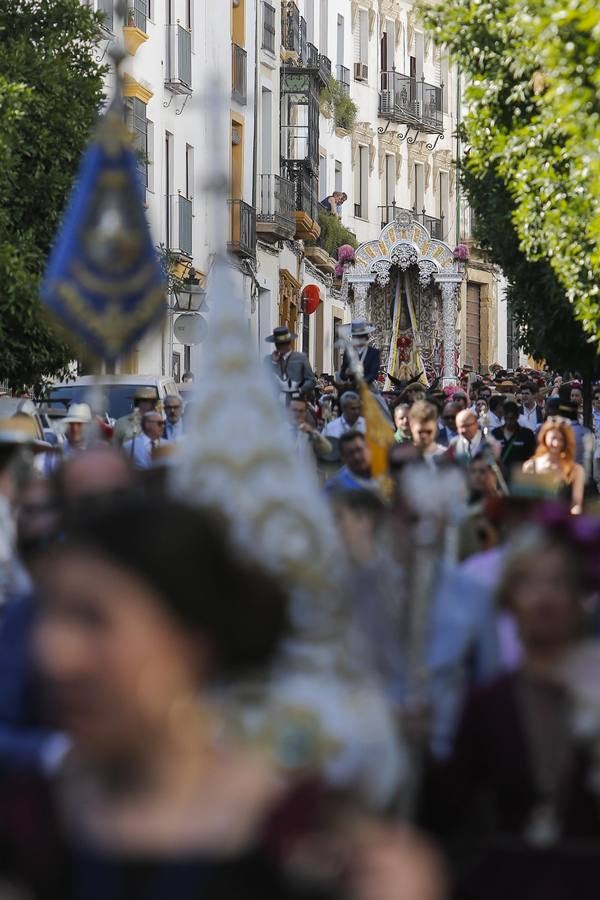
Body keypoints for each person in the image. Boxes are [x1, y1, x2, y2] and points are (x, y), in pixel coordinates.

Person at [423, 525, 600, 900]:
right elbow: (447, 808)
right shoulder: (491, 703)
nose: (544, 598)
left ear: (578, 596)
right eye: (529, 584)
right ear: (509, 599)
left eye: (557, 583)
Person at [523, 419, 585, 514]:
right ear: (544, 437)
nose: (556, 443)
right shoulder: (530, 466)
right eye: (553, 438)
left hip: (564, 524)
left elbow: (576, 504)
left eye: (561, 440)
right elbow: (525, 503)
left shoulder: (576, 470)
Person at [263, 326, 316, 400]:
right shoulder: (268, 359)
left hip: (295, 402)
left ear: (289, 343)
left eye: (283, 344)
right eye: (278, 344)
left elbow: (311, 381)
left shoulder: (301, 358)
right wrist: (273, 363)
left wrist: (300, 390)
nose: (280, 347)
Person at [492, 400, 536, 476]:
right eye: (506, 418)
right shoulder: (495, 433)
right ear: (503, 416)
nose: (509, 422)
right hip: (500, 476)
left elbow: (532, 457)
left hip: (520, 477)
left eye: (512, 419)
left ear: (517, 417)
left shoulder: (527, 434)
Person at [288, 394, 333, 461]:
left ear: (306, 412)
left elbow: (327, 450)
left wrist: (312, 432)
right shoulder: (278, 431)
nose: (297, 414)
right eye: (294, 410)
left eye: (301, 411)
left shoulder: (310, 432)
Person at [339, 321, 381, 386]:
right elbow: (342, 374)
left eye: (360, 337)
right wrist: (346, 373)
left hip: (368, 387)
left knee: (377, 396)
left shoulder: (373, 353)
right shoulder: (348, 352)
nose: (358, 340)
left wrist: (363, 382)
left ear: (366, 338)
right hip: (351, 386)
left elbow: (374, 374)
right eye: (355, 337)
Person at [408, 401, 446, 466]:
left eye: (429, 432)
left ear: (435, 426)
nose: (424, 436)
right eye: (420, 432)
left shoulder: (446, 457)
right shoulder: (403, 459)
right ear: (411, 426)